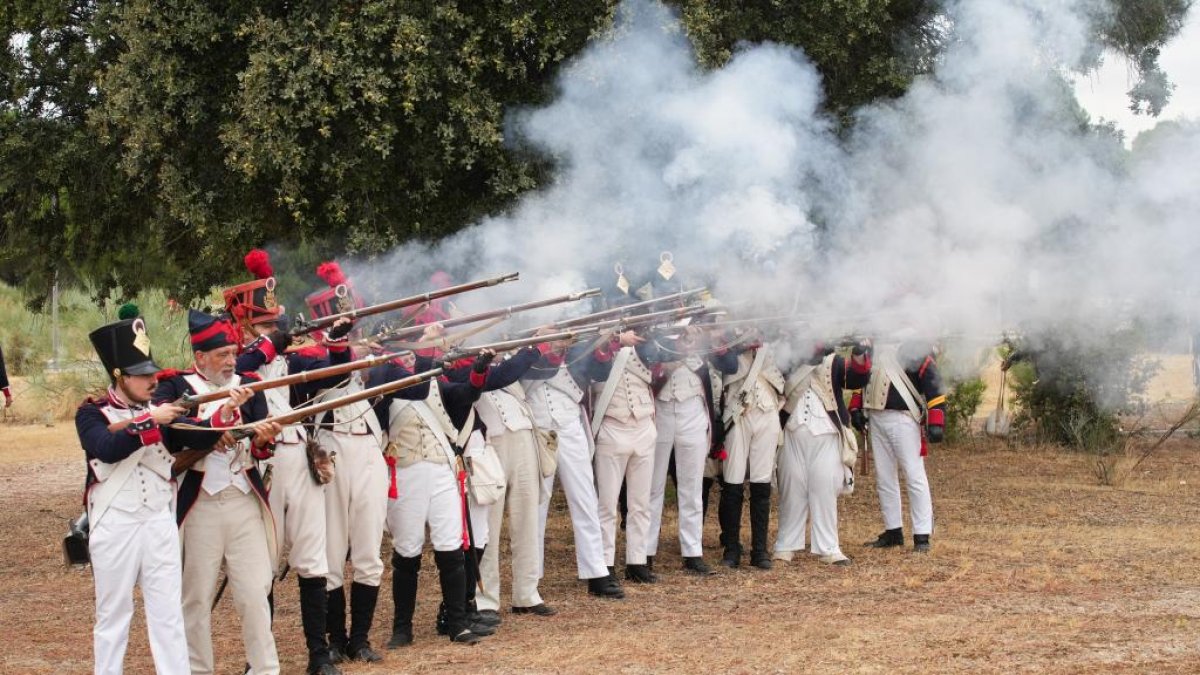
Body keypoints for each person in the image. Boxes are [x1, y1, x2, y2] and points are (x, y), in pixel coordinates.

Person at [78, 308, 262, 675]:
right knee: (113, 617)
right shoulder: (92, 413)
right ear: (120, 376)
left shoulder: (163, 411)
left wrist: (227, 410)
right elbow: (106, 448)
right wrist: (151, 421)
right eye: (142, 375)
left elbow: (196, 433)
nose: (152, 380)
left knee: (167, 616)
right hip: (115, 523)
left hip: (158, 522)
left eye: (151, 373)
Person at [226, 249, 355, 674]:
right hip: (259, 468)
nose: (275, 329)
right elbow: (242, 370)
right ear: (244, 326)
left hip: (299, 461)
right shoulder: (237, 363)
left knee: (313, 559)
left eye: (275, 323)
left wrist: (338, 341)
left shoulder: (290, 359)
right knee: (258, 566)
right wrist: (266, 346)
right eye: (265, 324)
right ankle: (258, 660)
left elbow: (336, 377)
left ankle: (319, 655)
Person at [154, 309, 283, 674]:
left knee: (255, 595)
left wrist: (263, 440)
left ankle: (265, 669)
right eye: (221, 355)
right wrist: (217, 423)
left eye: (232, 352)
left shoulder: (250, 383)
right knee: (194, 600)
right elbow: (173, 432)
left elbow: (262, 449)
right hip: (201, 506)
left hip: (243, 499)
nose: (231, 361)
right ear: (199, 357)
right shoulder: (174, 387)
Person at [374, 326, 496, 647]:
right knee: (407, 552)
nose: (408, 358)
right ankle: (402, 629)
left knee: (451, 550)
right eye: (404, 353)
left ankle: (456, 623)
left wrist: (479, 370)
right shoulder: (384, 385)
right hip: (407, 473)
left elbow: (464, 393)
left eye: (412, 353)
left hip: (442, 471)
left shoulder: (432, 384)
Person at [304, 262, 388, 664]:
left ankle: (361, 638)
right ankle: (335, 637)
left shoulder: (364, 350)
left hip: (369, 451)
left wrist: (376, 358)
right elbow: (326, 376)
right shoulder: (308, 357)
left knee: (369, 550)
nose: (349, 327)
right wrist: (342, 348)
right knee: (333, 551)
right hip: (332, 453)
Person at [524, 340, 625, 598]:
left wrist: (602, 345)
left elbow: (599, 372)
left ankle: (596, 572)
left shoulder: (576, 338)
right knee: (537, 504)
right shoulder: (522, 335)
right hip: (535, 425)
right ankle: (530, 577)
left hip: (569, 422)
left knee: (585, 499)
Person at [646, 326, 737, 575]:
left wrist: (716, 339)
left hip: (693, 411)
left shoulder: (703, 331)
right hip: (661, 410)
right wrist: (678, 344)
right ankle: (644, 552)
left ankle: (692, 552)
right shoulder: (659, 327)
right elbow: (650, 355)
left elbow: (730, 365)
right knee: (651, 488)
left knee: (692, 487)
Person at [849, 339, 945, 553]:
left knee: (914, 476)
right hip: (876, 416)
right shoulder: (873, 344)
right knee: (884, 478)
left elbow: (934, 384)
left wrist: (937, 421)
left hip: (903, 418)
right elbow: (863, 379)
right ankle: (893, 531)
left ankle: (922, 535)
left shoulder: (915, 346)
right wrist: (855, 408)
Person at [587, 328, 663, 583]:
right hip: (611, 424)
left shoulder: (643, 343)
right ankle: (605, 563)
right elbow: (594, 362)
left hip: (643, 425)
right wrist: (617, 340)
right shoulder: (598, 341)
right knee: (606, 504)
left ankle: (637, 561)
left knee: (640, 503)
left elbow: (658, 365)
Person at [774, 341, 855, 566]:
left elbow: (857, 379)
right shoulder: (787, 354)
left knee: (824, 487)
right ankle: (785, 544)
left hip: (826, 434)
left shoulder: (835, 361)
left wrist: (861, 351)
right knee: (792, 487)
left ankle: (829, 547)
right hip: (791, 430)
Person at [717, 333, 785, 569]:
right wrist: (741, 342)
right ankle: (732, 549)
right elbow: (723, 363)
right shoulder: (730, 330)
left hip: (767, 410)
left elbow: (798, 358)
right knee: (732, 482)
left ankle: (760, 550)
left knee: (762, 483)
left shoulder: (776, 327)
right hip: (737, 410)